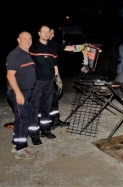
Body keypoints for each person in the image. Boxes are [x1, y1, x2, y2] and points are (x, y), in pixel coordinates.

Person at [29, 25, 84, 145]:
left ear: (49, 34)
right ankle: (34, 134)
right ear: (39, 33)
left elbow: (57, 63)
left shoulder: (52, 47)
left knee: (47, 108)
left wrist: (58, 80)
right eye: (43, 32)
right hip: (37, 83)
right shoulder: (33, 47)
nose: (45, 34)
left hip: (49, 82)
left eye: (47, 32)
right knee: (35, 108)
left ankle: (45, 130)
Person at [6, 31, 36, 159]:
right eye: (24, 38)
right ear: (18, 40)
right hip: (19, 92)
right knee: (23, 120)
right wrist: (18, 93)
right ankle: (20, 149)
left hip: (26, 91)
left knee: (22, 119)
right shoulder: (15, 55)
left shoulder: (26, 54)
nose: (28, 41)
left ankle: (16, 144)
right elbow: (10, 75)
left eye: (29, 38)